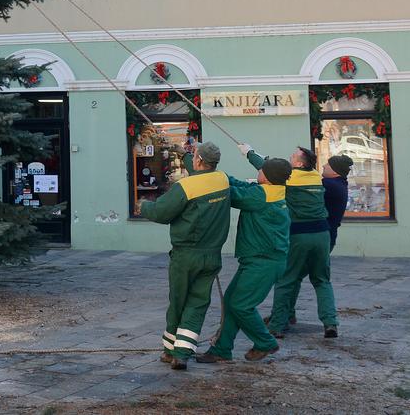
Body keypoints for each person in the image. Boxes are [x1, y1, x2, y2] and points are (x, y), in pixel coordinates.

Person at [140, 141, 231, 370]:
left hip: (186, 254)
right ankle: (182, 354)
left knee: (178, 301)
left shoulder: (186, 187)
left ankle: (170, 351)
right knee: (198, 303)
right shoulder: (222, 180)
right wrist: (184, 154)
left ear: (199, 160)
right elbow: (201, 171)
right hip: (212, 256)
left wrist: (143, 206)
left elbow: (161, 212)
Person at [196, 157, 291, 363]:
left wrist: (204, 176)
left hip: (264, 261)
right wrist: (217, 175)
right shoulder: (271, 191)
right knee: (231, 301)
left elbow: (232, 194)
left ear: (266, 176)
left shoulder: (261, 196)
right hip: (258, 260)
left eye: (262, 169)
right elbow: (239, 184)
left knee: (241, 305)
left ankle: (265, 342)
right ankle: (221, 350)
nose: (259, 171)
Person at [238, 143, 338, 339]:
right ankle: (330, 322)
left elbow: (268, 168)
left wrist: (249, 152)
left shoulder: (290, 178)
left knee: (286, 279)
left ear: (300, 163)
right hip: (322, 234)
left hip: (299, 234)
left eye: (294, 156)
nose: (291, 157)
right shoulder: (316, 176)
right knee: (322, 280)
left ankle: (277, 325)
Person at [322, 154, 352, 251]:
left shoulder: (330, 185)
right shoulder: (339, 183)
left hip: (325, 235)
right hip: (329, 234)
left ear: (335, 171)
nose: (324, 166)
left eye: (328, 164)